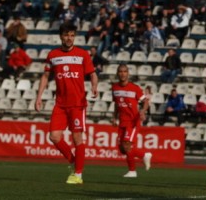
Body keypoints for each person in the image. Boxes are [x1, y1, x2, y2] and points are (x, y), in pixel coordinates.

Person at [34, 22, 98, 184]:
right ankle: (73, 161)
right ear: (61, 36)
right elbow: (45, 76)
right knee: (54, 137)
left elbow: (92, 74)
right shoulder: (53, 55)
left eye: (72, 35)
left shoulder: (83, 54)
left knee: (77, 138)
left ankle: (78, 175)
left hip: (77, 104)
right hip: (60, 104)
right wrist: (39, 96)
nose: (69, 38)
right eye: (66, 35)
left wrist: (94, 87)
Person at [111, 64, 152, 178]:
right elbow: (116, 104)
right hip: (122, 121)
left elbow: (146, 101)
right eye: (120, 71)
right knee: (122, 149)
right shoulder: (115, 88)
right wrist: (114, 117)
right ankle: (144, 155)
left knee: (127, 145)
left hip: (133, 121)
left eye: (125, 71)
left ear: (128, 73)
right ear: (117, 73)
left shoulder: (135, 88)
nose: (122, 74)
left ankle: (132, 171)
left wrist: (143, 111)